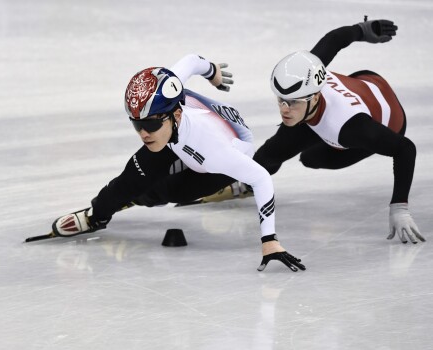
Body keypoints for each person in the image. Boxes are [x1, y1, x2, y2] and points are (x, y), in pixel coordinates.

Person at [51, 54, 306, 272]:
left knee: (170, 192)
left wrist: (269, 240)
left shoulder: (213, 150)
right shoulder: (165, 89)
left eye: (149, 124)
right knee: (129, 180)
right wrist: (213, 72)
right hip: (177, 137)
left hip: (215, 162)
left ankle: (143, 196)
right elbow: (192, 60)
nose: (143, 133)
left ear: (175, 113)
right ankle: (97, 216)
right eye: (137, 124)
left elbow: (261, 178)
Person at [253, 17, 425, 244]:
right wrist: (364, 30)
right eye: (281, 100)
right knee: (271, 151)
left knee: (311, 158)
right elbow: (334, 39)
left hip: (388, 120)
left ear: (314, 96)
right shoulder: (308, 68)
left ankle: (257, 173)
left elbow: (405, 149)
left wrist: (399, 207)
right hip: (363, 82)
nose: (284, 108)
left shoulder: (351, 128)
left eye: (293, 101)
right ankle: (248, 180)